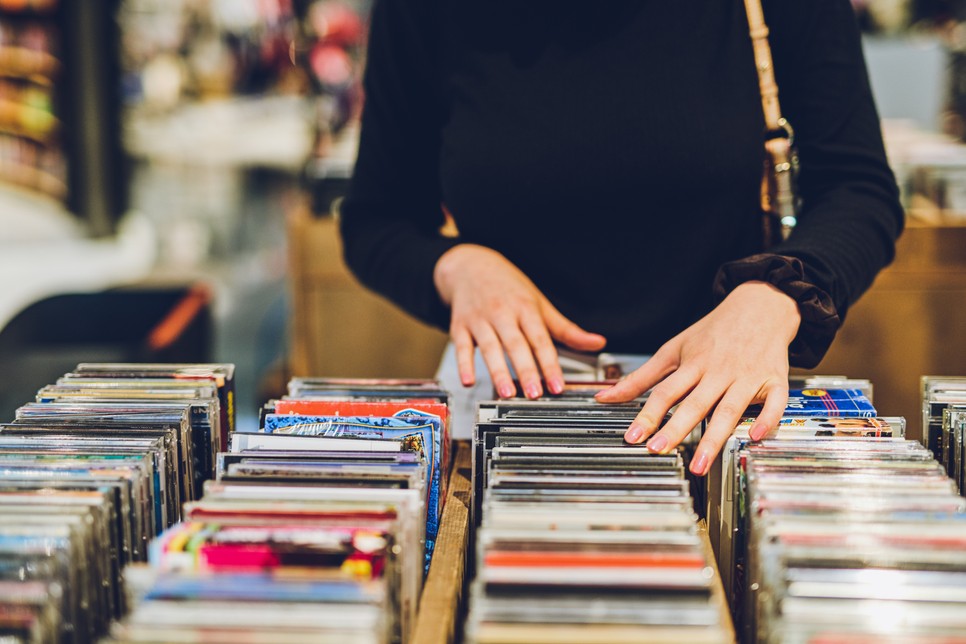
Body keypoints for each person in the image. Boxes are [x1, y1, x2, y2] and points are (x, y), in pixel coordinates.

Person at [337, 0, 903, 476]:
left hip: (723, 404)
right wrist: (456, 267)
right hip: (503, 411)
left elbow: (858, 189)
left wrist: (777, 292)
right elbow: (377, 219)